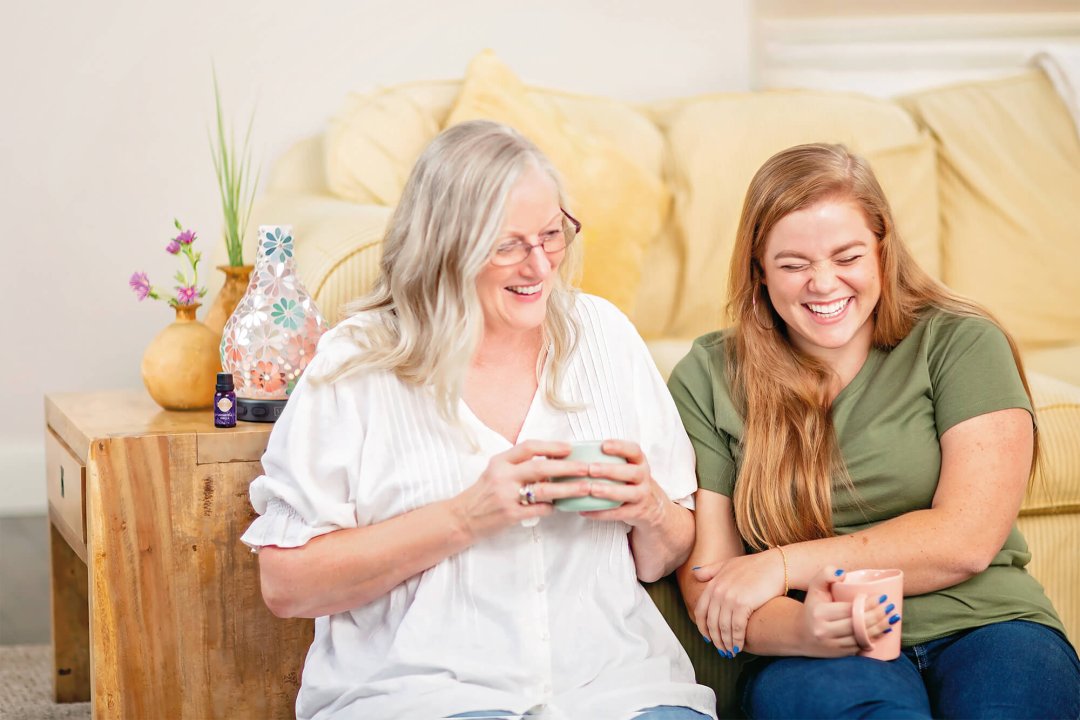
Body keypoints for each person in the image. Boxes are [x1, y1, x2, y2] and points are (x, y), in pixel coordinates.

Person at [240, 119, 717, 720]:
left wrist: (647, 507)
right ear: (444, 245)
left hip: (614, 689)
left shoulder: (606, 337)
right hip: (428, 697)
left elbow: (664, 555)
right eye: (508, 245)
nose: (540, 267)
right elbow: (287, 585)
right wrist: (465, 517)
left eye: (551, 235)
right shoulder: (357, 364)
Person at [668, 143, 1080, 719]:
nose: (823, 283)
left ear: (882, 251)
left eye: (847, 256)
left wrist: (781, 565)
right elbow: (711, 586)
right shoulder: (709, 375)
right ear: (758, 270)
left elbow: (966, 539)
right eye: (792, 264)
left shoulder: (961, 341)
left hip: (990, 625)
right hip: (812, 654)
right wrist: (809, 629)